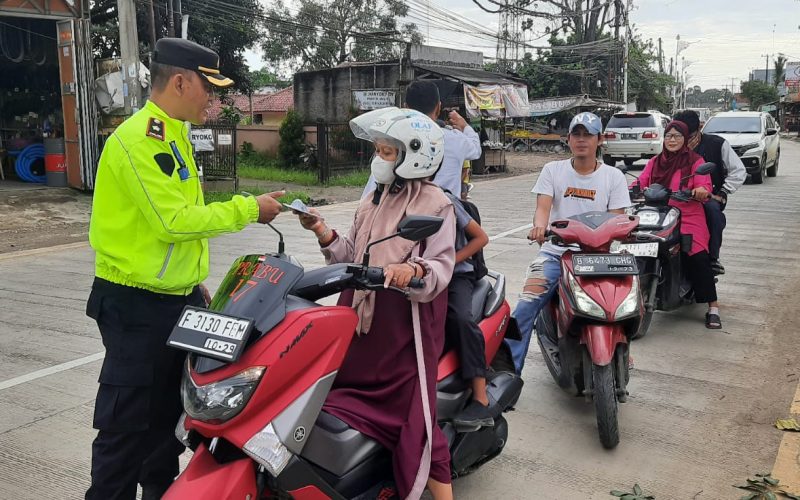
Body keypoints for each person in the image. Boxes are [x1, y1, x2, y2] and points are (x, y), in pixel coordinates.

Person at [85, 38, 284, 500]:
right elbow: (173, 222)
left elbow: (172, 224)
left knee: (167, 420)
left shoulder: (173, 134)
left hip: (176, 300)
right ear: (180, 81)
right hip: (135, 306)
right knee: (125, 424)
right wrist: (249, 209)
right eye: (208, 89)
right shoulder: (138, 140)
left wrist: (194, 284)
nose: (211, 100)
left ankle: (160, 492)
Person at [297, 107, 455, 500]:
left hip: (404, 325)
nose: (378, 158)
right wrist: (321, 230)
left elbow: (441, 267)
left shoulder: (436, 204)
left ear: (413, 155)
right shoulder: (371, 199)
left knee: (415, 420)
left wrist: (412, 271)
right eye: (379, 150)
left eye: (387, 152)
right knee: (332, 397)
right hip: (359, 317)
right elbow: (351, 255)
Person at [505, 112, 631, 375]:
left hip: (600, 257)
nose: (582, 140)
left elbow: (618, 219)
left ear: (600, 139)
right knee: (525, 307)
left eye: (588, 135)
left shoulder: (613, 177)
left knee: (626, 301)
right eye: (577, 134)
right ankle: (507, 373)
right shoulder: (553, 170)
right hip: (556, 253)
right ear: (568, 139)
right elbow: (543, 207)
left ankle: (621, 345)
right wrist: (540, 227)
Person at [631, 120, 722, 329]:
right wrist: (630, 189)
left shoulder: (696, 162)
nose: (672, 140)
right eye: (669, 135)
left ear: (685, 139)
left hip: (688, 214)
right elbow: (641, 182)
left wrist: (699, 190)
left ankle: (713, 307)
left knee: (697, 255)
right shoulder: (655, 162)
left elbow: (703, 184)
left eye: (677, 136)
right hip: (657, 214)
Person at [362, 80, 481, 200]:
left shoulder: (394, 142)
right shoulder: (455, 139)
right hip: (446, 214)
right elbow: (476, 150)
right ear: (438, 107)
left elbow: (371, 192)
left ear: (405, 107)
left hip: (401, 215)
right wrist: (464, 125)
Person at [673, 109, 746, 275]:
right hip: (675, 197)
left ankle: (713, 258)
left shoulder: (717, 144)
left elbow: (738, 171)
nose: (684, 141)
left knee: (713, 212)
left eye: (688, 136)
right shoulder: (671, 145)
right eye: (679, 135)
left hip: (707, 196)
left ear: (699, 128)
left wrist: (723, 191)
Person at [442, 192, 492, 428]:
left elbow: (480, 238)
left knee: (460, 318)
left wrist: (448, 262)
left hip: (455, 274)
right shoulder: (386, 197)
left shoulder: (442, 200)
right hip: (417, 275)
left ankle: (480, 397)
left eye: (387, 152)